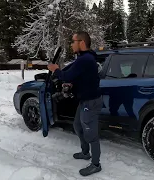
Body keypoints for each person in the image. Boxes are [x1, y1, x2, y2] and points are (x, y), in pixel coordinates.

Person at [47, 31, 103, 176]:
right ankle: (85, 153)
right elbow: (81, 77)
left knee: (91, 134)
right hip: (85, 100)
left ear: (82, 43)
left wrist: (56, 69)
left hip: (90, 102)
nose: (71, 44)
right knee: (77, 126)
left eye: (73, 41)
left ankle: (96, 164)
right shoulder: (86, 58)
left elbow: (66, 75)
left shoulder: (85, 59)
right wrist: (73, 85)